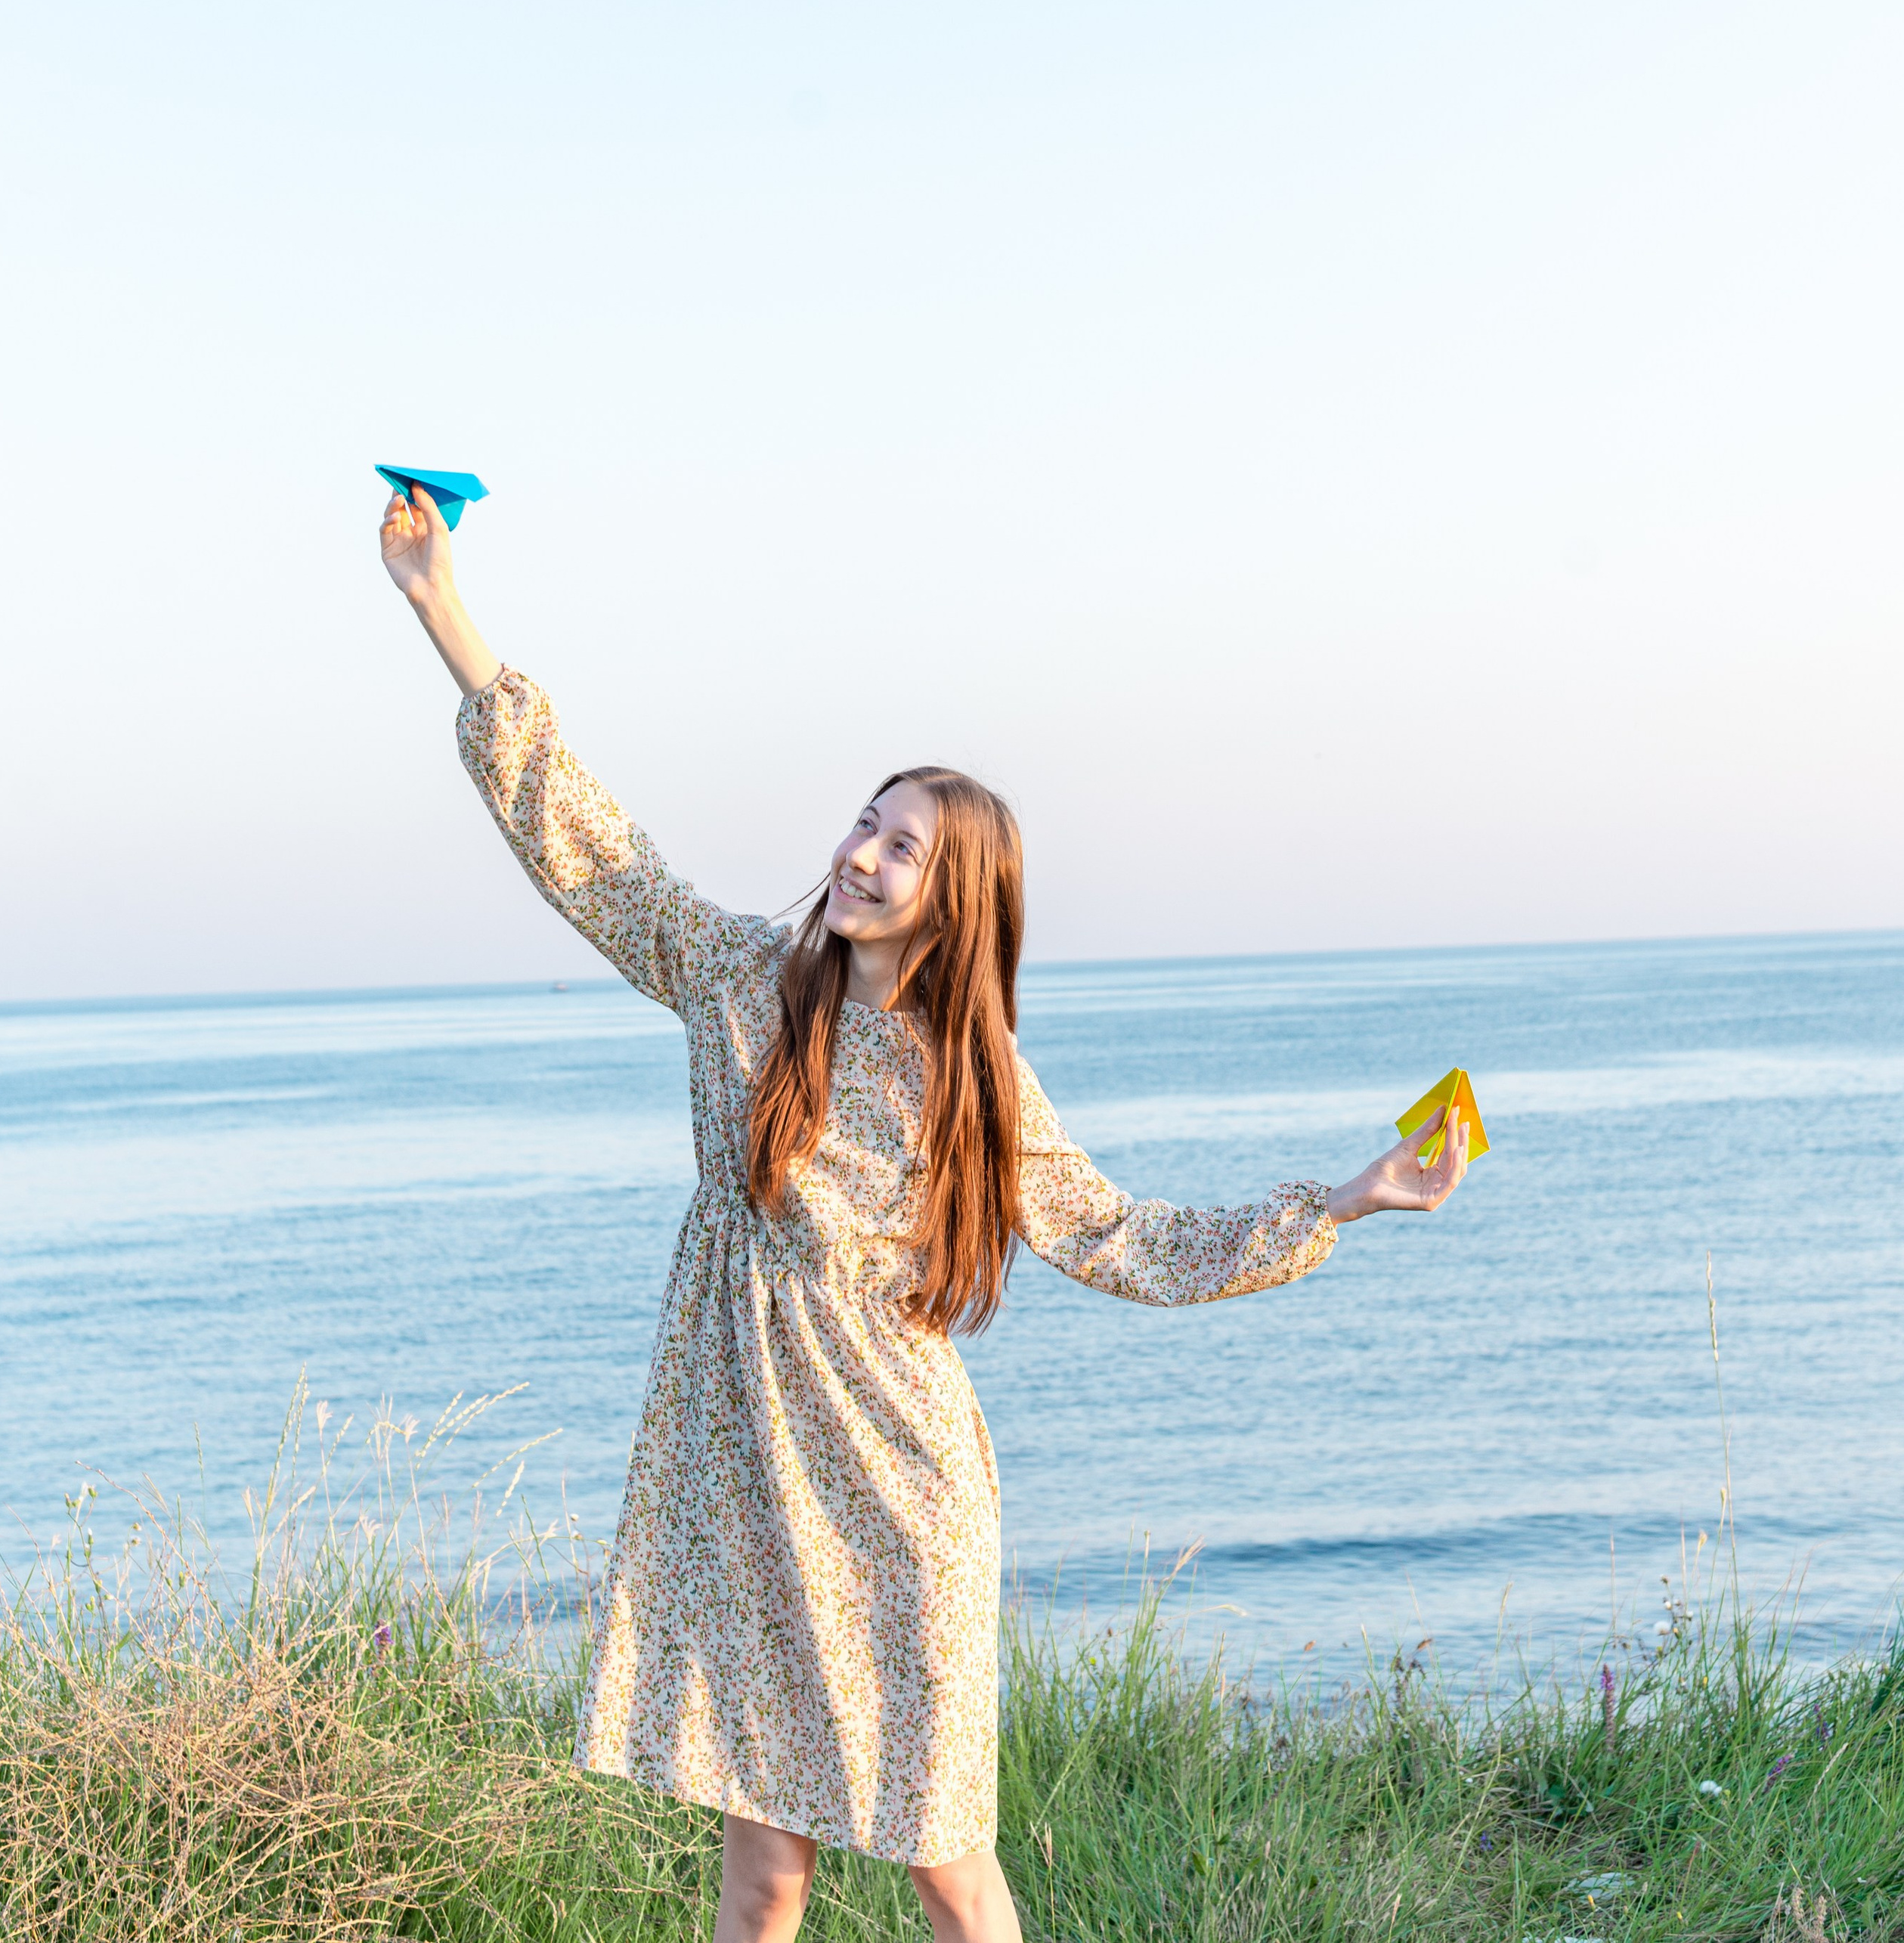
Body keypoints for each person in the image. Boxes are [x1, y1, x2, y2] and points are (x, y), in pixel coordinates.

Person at [381, 482, 1469, 1943]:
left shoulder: (974, 1077)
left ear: (954, 899)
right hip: (744, 1484)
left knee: (947, 1861)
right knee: (765, 1869)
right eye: (863, 823)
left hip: (904, 1492)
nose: (860, 855)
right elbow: (588, 848)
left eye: (901, 848)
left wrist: (1339, 1201)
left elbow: (1118, 1236)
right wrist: (442, 604)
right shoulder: (740, 981)